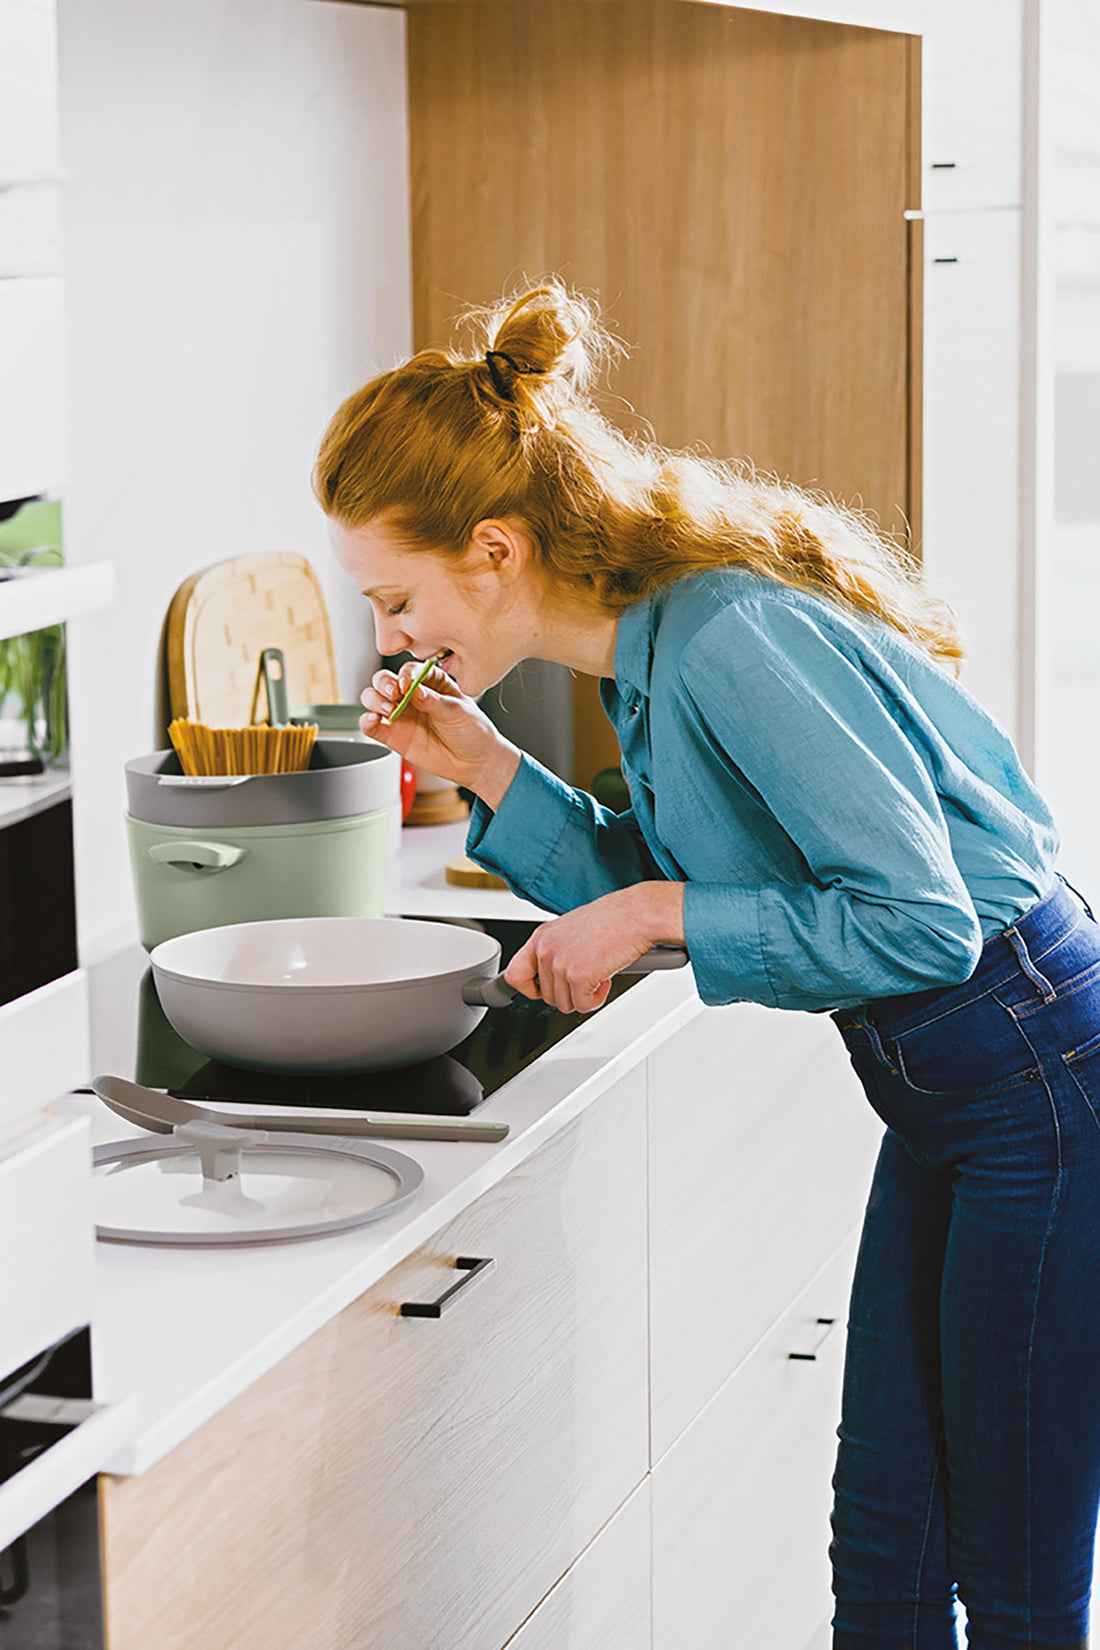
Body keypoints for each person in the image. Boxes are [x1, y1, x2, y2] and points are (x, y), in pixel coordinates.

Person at [313, 280, 1100, 1650]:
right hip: (956, 1095)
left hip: (1036, 1076)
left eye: (393, 596)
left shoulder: (727, 636)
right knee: (890, 1544)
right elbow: (677, 880)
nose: (388, 635)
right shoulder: (649, 651)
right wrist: (489, 767)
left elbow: (918, 921)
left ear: (492, 549)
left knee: (1016, 1575)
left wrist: (659, 912)